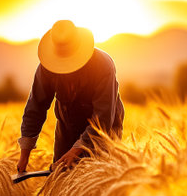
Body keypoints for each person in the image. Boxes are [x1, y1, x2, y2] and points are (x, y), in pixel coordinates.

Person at [17, 19, 124, 173]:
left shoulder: (103, 65)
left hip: (103, 132)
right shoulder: (47, 67)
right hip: (67, 127)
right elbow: (36, 107)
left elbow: (103, 117)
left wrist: (78, 149)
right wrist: (24, 154)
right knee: (60, 175)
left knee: (98, 181)